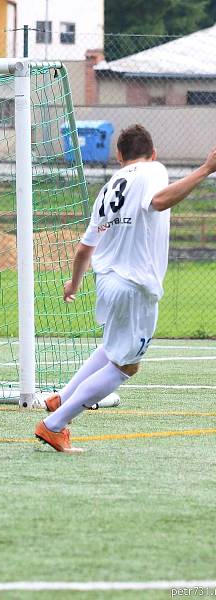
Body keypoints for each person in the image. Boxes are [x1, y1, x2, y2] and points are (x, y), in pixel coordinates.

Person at [35, 125, 216, 452]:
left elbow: (83, 249)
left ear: (119, 156)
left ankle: (61, 396)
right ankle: (55, 424)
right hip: (135, 286)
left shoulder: (107, 189)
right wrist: (205, 169)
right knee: (126, 366)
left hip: (106, 281)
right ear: (154, 153)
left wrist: (72, 284)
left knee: (111, 346)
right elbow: (160, 201)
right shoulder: (153, 170)